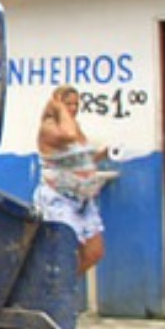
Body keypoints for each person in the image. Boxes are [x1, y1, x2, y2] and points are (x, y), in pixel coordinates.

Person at [35, 85, 111, 273]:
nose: (73, 109)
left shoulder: (74, 126)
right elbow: (68, 135)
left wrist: (103, 154)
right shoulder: (49, 127)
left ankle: (64, 284)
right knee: (64, 252)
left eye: (76, 104)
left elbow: (80, 158)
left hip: (82, 199)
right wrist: (56, 106)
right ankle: (54, 286)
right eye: (68, 104)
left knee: (94, 252)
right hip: (59, 198)